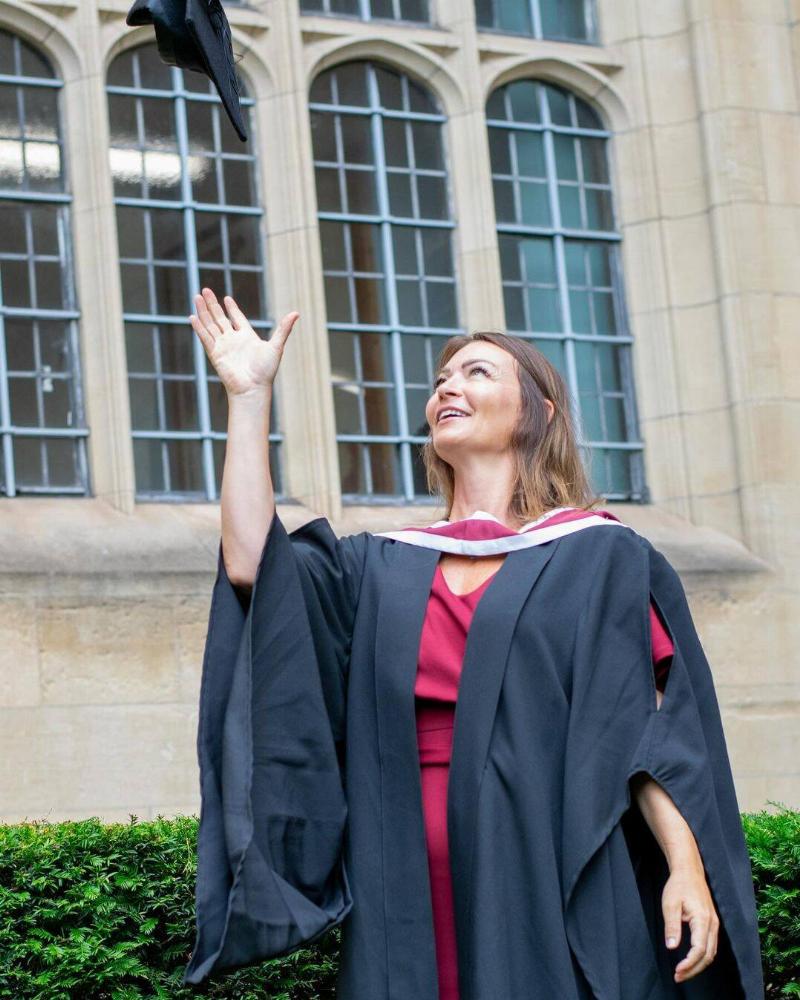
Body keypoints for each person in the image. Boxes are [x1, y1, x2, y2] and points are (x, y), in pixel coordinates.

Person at [180, 287, 765, 999]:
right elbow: (251, 565)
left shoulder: (597, 554)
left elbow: (648, 732)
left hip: (548, 862)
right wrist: (248, 399)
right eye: (440, 381)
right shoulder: (380, 565)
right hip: (403, 876)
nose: (449, 386)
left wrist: (686, 867)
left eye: (478, 373)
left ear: (538, 411)